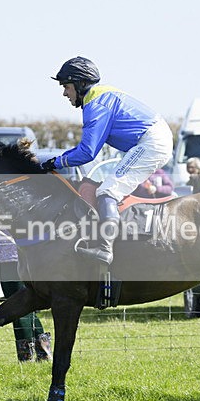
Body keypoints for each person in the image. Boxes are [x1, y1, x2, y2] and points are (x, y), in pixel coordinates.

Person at [41, 56, 173, 265]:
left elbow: (87, 152)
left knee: (107, 191)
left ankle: (105, 249)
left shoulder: (96, 104)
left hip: (151, 142)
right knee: (109, 189)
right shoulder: (100, 96)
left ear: (80, 84)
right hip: (153, 139)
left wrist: (54, 163)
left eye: (66, 86)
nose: (64, 93)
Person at [0, 210, 52, 362]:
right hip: (7, 256)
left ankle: (28, 354)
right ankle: (41, 349)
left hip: (20, 254)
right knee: (19, 303)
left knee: (18, 304)